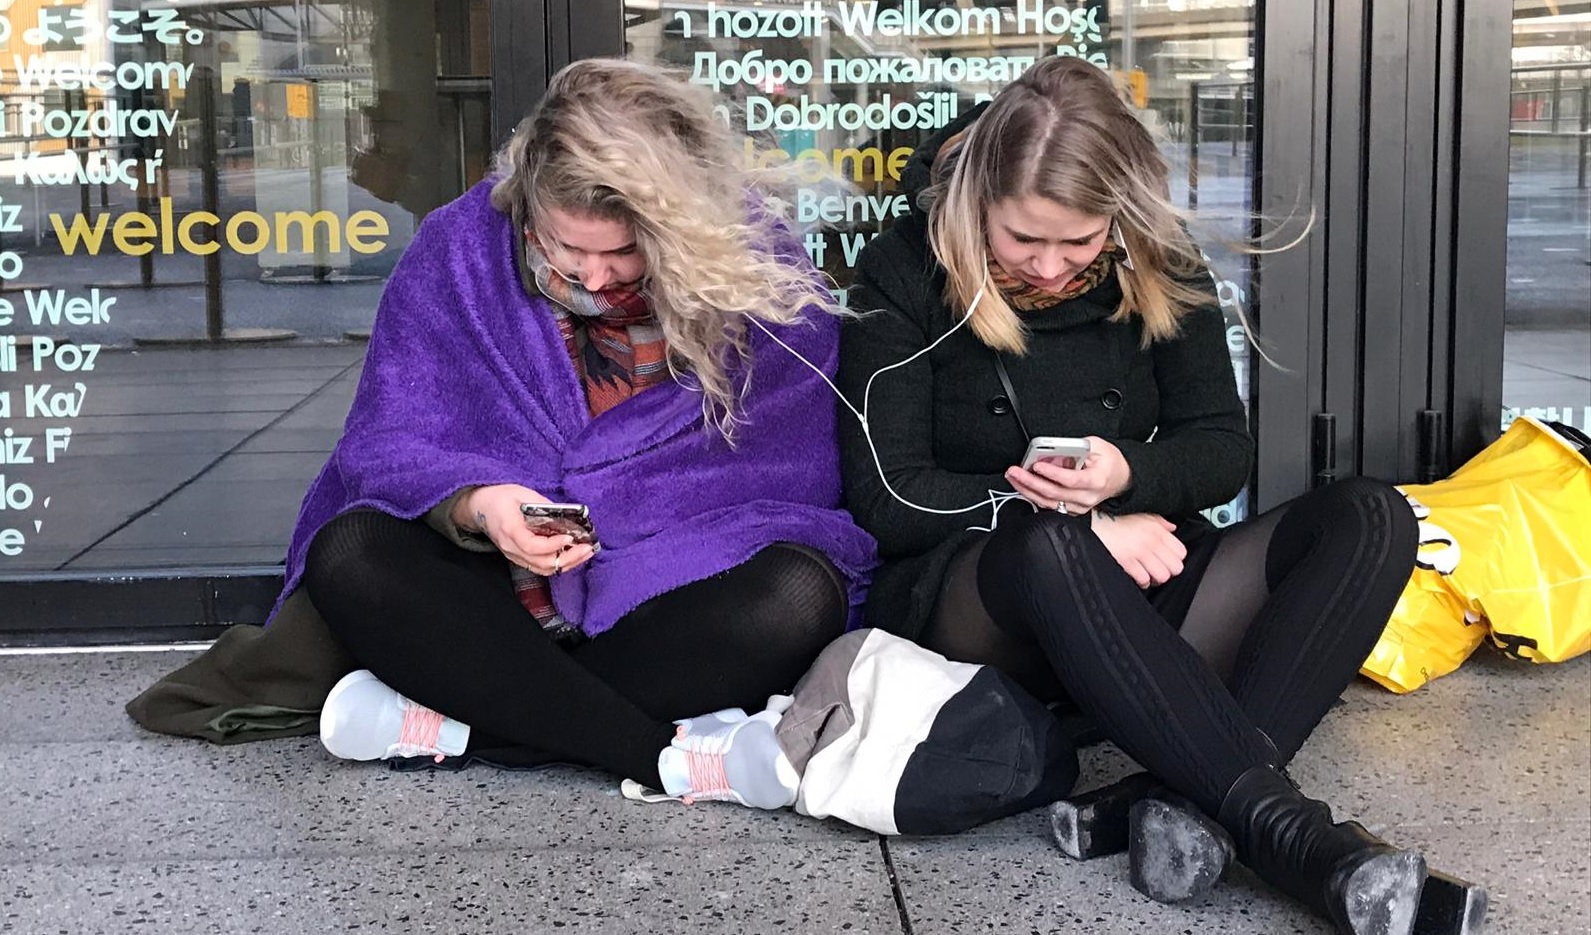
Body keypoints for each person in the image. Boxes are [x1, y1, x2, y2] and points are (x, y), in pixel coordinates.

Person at [838, 57, 1426, 935]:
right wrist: (1082, 523)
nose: (1046, 267)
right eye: (1020, 238)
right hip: (980, 607)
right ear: (978, 202)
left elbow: (1220, 451)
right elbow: (887, 494)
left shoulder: (1159, 261)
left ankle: (1173, 797)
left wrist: (1126, 475)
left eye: (1078, 242)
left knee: (1373, 516)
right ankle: (1291, 835)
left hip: (1140, 586)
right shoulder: (902, 268)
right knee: (1050, 545)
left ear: (1117, 212)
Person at [282, 58, 875, 808]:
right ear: (529, 206)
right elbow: (388, 439)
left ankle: (459, 722)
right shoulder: (458, 249)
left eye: (624, 252)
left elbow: (789, 471)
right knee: (352, 551)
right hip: (494, 591)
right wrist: (479, 505)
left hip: (671, 587)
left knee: (797, 595)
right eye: (565, 249)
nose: (594, 279)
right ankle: (661, 756)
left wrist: (626, 518)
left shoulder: (756, 265)